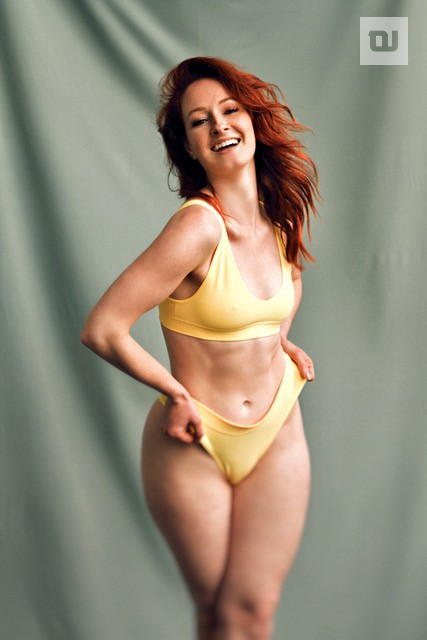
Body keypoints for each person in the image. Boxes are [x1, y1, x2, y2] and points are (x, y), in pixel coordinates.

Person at [81, 56, 320, 640]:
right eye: (198, 121)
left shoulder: (279, 217)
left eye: (230, 110)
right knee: (216, 616)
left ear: (253, 121)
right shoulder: (197, 226)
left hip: (279, 430)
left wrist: (278, 339)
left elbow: (288, 283)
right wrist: (174, 393)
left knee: (251, 613)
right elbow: (104, 327)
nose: (219, 126)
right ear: (188, 147)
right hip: (196, 441)